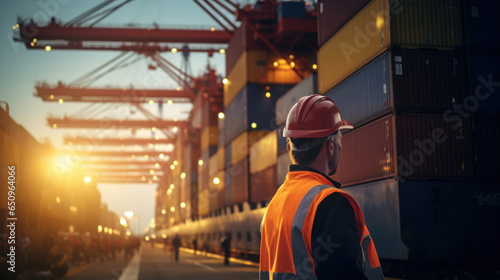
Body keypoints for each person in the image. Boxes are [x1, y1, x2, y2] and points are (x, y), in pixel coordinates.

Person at [259, 95, 384, 280]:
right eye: (340, 139)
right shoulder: (330, 204)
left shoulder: (274, 205)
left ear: (289, 149)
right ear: (331, 146)